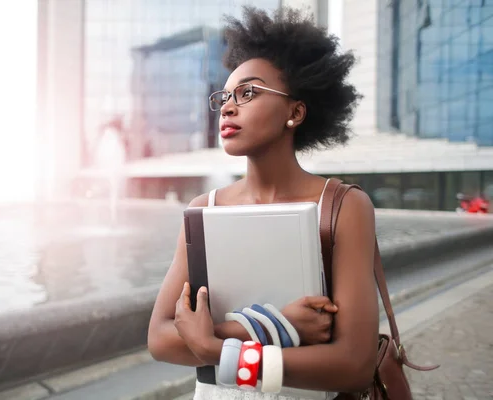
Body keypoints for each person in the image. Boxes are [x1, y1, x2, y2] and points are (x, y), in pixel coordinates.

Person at [147, 6, 378, 399]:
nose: (229, 106)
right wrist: (277, 325)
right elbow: (160, 339)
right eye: (225, 96)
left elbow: (355, 366)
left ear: (296, 111)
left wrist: (214, 348)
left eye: (249, 92)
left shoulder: (342, 206)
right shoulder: (206, 208)